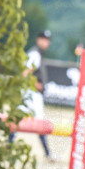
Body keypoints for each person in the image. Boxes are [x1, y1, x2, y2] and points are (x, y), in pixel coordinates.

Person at [22, 29, 52, 159]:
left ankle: (47, 153)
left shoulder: (36, 53)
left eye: (48, 40)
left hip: (30, 93)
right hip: (32, 93)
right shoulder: (35, 54)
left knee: (18, 118)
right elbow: (25, 73)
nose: (46, 43)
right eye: (44, 40)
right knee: (40, 122)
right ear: (38, 40)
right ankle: (48, 153)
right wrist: (35, 84)